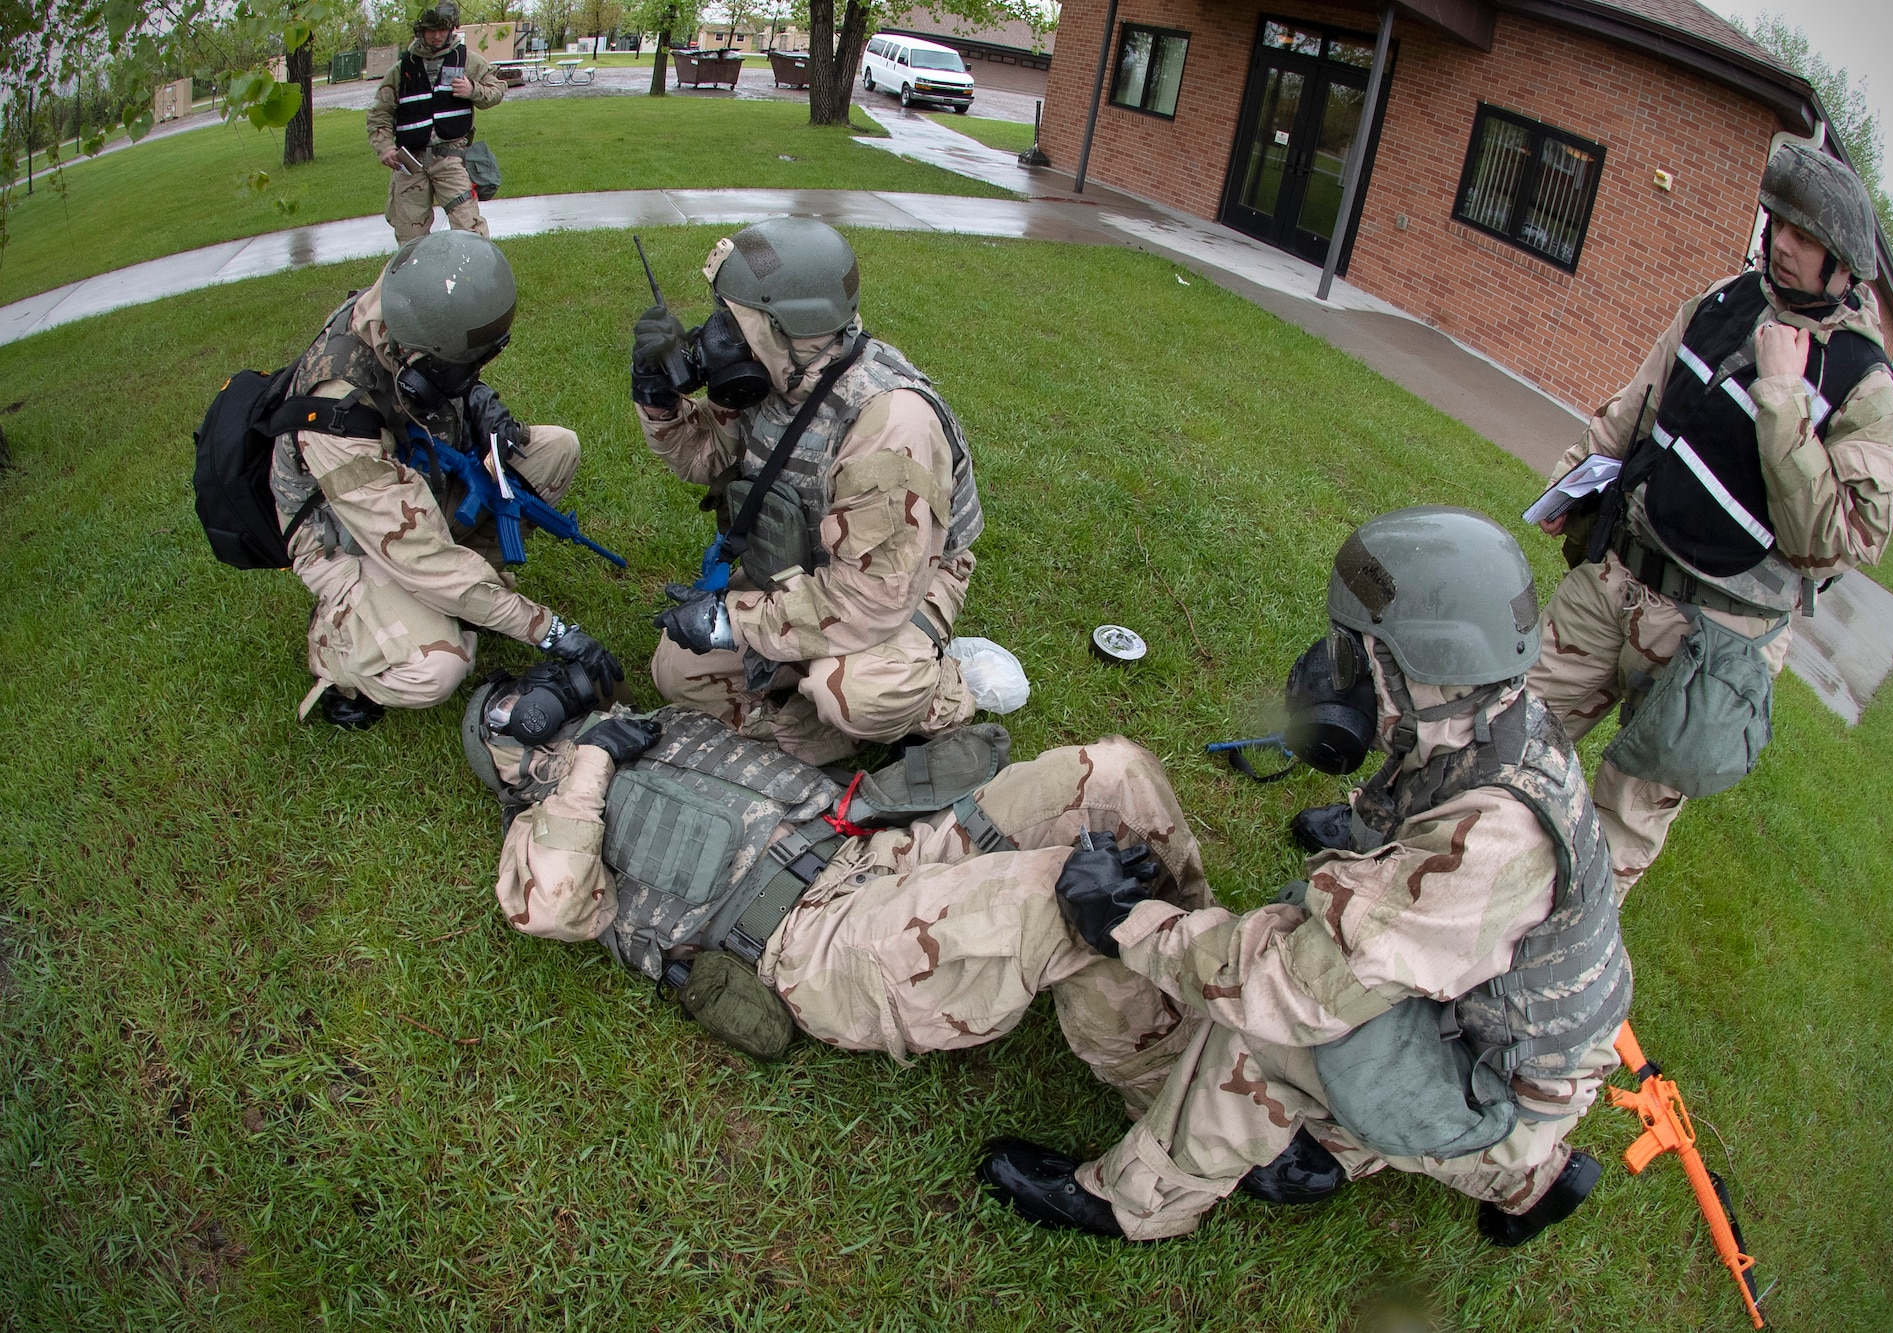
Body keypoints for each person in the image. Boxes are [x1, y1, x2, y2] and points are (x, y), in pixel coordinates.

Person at [978, 508, 1632, 1247]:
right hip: (1495, 1032)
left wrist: (1125, 919)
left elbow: (1289, 990)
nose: (1334, 672)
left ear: (1416, 667)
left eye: (1356, 658)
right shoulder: (1487, 717)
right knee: (1307, 935)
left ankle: (1136, 1203)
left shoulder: (1493, 840)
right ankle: (1430, 1159)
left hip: (1499, 1083)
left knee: (1271, 1019)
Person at [457, 665, 1209, 1111]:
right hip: (811, 945)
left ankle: (1214, 970)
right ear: (502, 759)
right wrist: (588, 764)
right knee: (1071, 896)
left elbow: (799, 732)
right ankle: (1195, 1100)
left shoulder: (658, 728)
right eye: (507, 708)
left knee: (1112, 771)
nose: (534, 699)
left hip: (879, 848)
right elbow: (550, 901)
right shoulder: (540, 824)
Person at [1513, 142, 1893, 895]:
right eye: (1779, 223)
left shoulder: (1865, 386)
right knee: (1506, 742)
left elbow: (1835, 546)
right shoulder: (1726, 298)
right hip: (1616, 580)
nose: (1782, 243)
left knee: (1612, 842)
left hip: (1713, 645)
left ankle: (1536, 988)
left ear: (1845, 267)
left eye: (1806, 237)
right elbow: (1640, 403)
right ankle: (1420, 864)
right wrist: (1575, 478)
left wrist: (1784, 395)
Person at [630, 218, 984, 765]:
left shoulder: (888, 425)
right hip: (803, 565)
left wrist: (733, 620)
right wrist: (656, 393)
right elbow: (703, 459)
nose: (716, 335)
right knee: (676, 670)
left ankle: (938, 695)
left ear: (783, 326)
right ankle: (806, 717)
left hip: (898, 582)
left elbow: (871, 600)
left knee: (854, 694)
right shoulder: (774, 375)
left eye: (733, 319)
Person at [270, 231, 624, 728]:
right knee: (438, 668)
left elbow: (446, 376)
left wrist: (478, 401)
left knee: (554, 451)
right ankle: (340, 654)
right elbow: (418, 553)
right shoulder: (336, 411)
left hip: (418, 478)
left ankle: (458, 595)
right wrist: (552, 631)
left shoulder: (414, 304)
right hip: (346, 536)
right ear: (421, 358)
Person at [365, 2, 505, 244]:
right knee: (410, 234)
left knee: (468, 227)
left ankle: (474, 279)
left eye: (442, 29)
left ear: (451, 28)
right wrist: (385, 147)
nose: (437, 35)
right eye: (431, 30)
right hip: (410, 162)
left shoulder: (467, 61)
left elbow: (497, 89)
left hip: (451, 159)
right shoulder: (401, 70)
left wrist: (473, 90)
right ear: (420, 31)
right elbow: (380, 113)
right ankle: (416, 279)